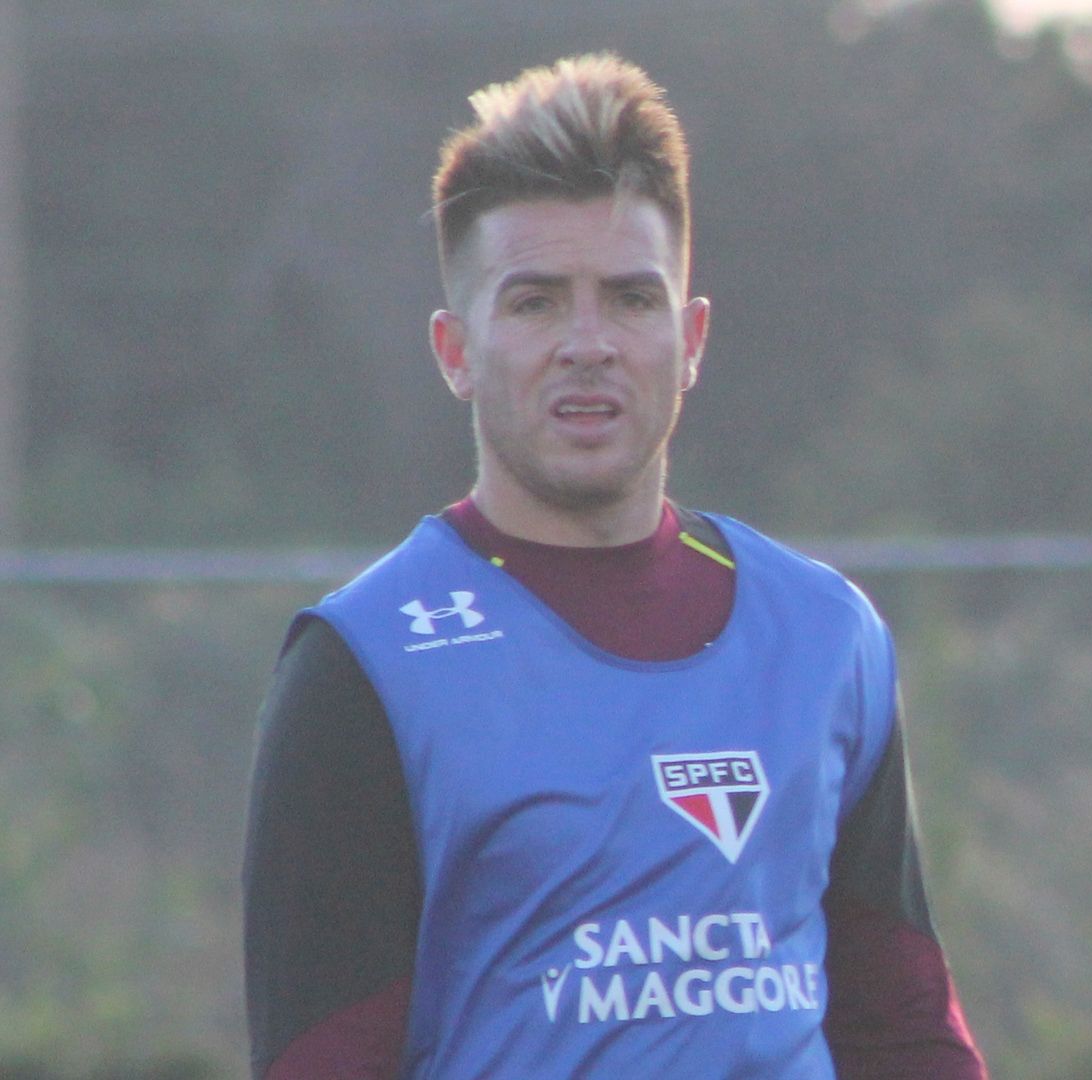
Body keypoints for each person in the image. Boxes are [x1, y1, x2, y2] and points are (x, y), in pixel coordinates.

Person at [243, 53, 987, 1079]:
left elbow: (902, 1029)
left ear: (691, 339)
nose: (588, 344)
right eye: (537, 302)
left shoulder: (826, 636)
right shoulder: (365, 664)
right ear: (456, 350)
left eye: (631, 300)